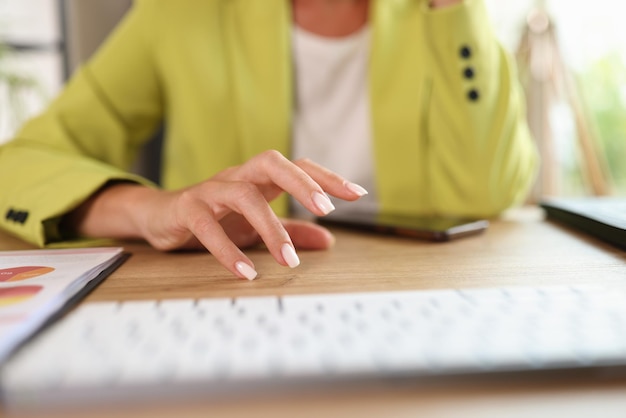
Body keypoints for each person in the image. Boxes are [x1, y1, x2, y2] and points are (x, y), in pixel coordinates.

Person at [0, 0, 538, 280]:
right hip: (240, 292)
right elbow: (17, 166)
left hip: (417, 297)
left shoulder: (443, 20)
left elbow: (485, 193)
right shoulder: (182, 12)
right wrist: (149, 209)